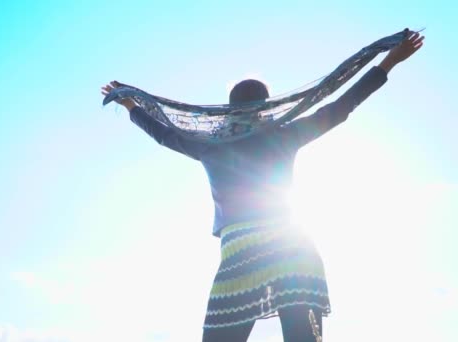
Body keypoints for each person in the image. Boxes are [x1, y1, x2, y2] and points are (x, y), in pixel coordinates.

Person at [101, 31, 424, 342]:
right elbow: (340, 107)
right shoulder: (282, 135)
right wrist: (388, 63)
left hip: (246, 252)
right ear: (266, 105)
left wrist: (131, 107)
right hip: (293, 250)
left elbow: (164, 134)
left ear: (229, 108)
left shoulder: (209, 145)